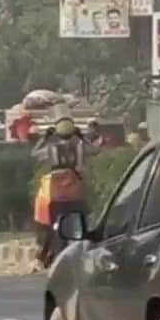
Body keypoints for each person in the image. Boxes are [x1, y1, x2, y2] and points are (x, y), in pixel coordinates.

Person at [31, 112, 100, 268]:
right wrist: (82, 137)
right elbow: (96, 150)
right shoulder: (80, 147)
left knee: (57, 227)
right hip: (76, 194)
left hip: (56, 195)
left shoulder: (50, 149)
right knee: (81, 226)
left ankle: (54, 257)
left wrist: (45, 138)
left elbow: (34, 154)